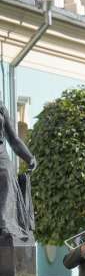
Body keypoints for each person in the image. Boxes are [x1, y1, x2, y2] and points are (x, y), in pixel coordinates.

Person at [0, 100, 37, 240]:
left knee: (6, 175)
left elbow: (13, 138)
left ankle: (5, 225)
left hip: (0, 152)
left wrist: (29, 157)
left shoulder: (1, 107)